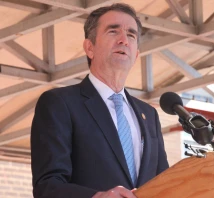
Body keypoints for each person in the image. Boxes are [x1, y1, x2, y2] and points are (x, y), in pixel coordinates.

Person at [31, 3, 169, 198]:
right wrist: (98, 197)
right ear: (90, 47)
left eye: (131, 35)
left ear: (136, 54)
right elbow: (47, 186)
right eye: (113, 31)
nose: (124, 40)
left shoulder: (149, 115)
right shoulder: (59, 103)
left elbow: (165, 184)